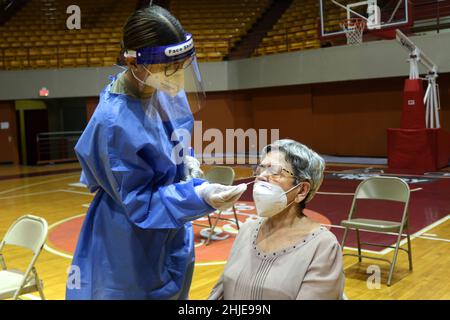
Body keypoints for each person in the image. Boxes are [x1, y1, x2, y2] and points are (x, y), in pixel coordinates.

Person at [66, 5, 247, 300]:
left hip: (172, 228)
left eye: (181, 67)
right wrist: (199, 196)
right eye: (168, 68)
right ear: (135, 63)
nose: (176, 78)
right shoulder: (113, 122)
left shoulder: (161, 89)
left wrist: (185, 160)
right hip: (129, 240)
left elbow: (175, 135)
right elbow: (141, 204)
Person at [208, 139, 345, 300]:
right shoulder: (248, 229)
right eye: (260, 169)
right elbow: (220, 291)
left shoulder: (323, 246)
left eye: (275, 171)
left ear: (301, 190)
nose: (262, 177)